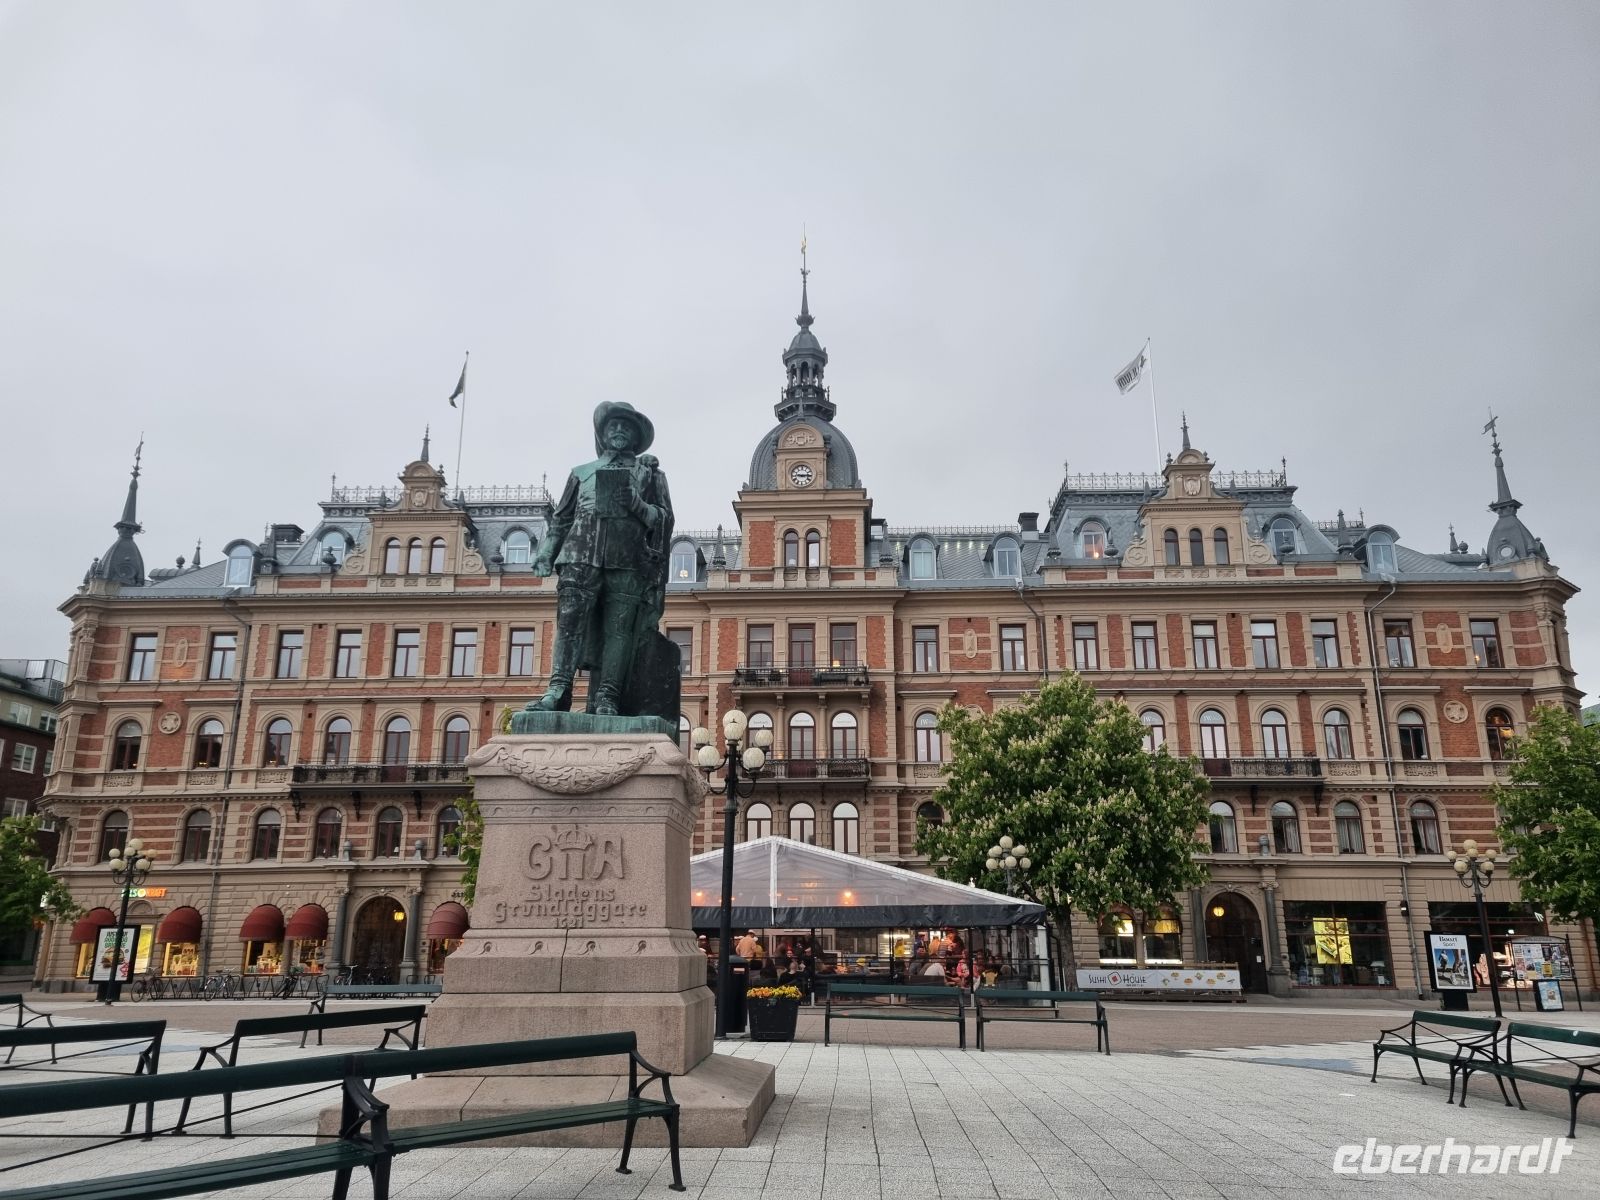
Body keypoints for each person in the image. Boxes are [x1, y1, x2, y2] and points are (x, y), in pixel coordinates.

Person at [528, 402, 674, 717]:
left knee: (618, 630)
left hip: (627, 558)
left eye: (626, 427)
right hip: (579, 554)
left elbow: (664, 519)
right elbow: (561, 519)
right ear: (603, 434)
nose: (619, 431)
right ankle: (558, 689)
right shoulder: (580, 473)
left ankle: (608, 695)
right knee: (568, 624)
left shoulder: (649, 474)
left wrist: (638, 505)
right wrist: (545, 553)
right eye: (613, 426)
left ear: (636, 437)